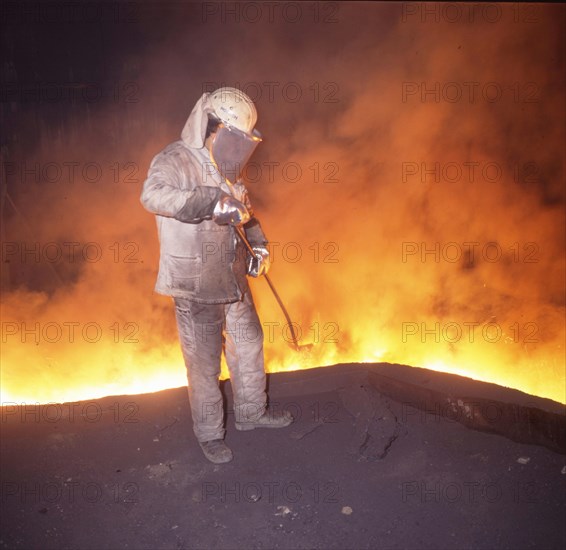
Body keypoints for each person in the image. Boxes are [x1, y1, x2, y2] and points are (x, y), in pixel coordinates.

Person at [140, 87, 293, 464]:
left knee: (250, 346)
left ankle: (252, 413)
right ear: (215, 126)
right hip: (195, 284)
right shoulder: (175, 159)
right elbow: (152, 196)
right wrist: (209, 201)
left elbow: (247, 215)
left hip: (233, 279)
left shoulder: (227, 169)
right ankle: (210, 435)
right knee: (205, 366)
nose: (239, 148)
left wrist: (259, 246)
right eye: (236, 137)